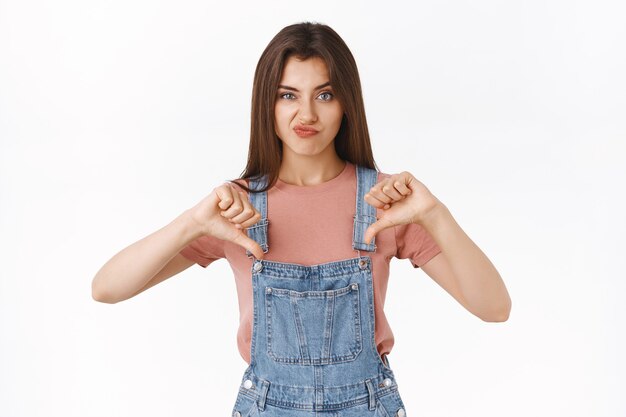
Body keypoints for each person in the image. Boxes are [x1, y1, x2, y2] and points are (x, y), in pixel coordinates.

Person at [92, 21, 511, 417]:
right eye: (288, 95)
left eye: (325, 95)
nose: (306, 114)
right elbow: (107, 288)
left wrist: (436, 215)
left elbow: (495, 308)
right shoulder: (234, 211)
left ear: (347, 102)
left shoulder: (388, 203)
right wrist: (192, 223)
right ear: (267, 104)